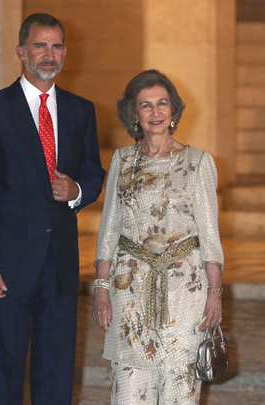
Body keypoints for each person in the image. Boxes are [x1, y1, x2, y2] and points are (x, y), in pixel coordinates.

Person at [0, 13, 106, 405]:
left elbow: (94, 171)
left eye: (56, 46)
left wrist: (77, 189)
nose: (49, 54)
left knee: (57, 372)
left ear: (65, 52)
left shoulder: (81, 111)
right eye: (40, 45)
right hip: (6, 269)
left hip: (60, 264)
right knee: (5, 372)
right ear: (21, 51)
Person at [92, 69, 224, 404]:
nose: (155, 112)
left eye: (162, 104)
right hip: (129, 288)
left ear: (174, 110)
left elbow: (210, 237)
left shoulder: (198, 162)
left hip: (186, 292)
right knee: (129, 390)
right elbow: (109, 230)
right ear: (134, 114)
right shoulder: (122, 160)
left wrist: (215, 294)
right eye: (146, 105)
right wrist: (102, 290)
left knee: (179, 389)